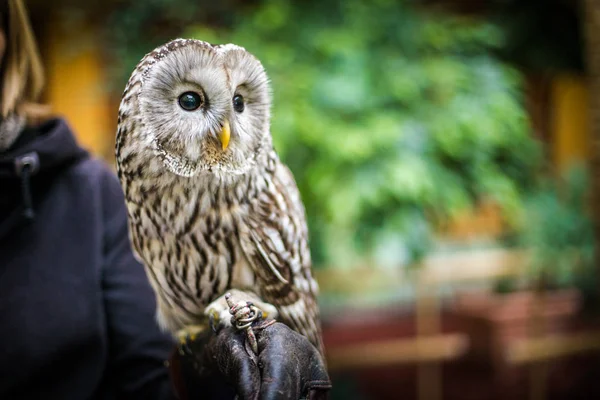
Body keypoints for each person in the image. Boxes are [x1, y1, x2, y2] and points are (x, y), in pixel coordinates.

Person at [0, 1, 331, 399]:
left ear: (9, 39)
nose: (226, 130)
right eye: (190, 101)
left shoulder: (92, 195)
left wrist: (207, 373)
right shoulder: (132, 198)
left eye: (239, 105)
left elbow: (146, 373)